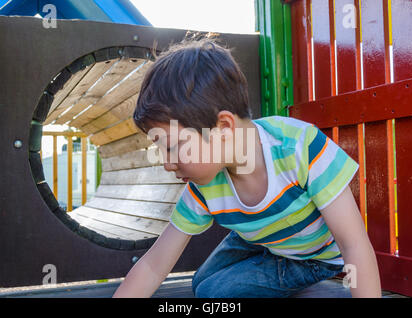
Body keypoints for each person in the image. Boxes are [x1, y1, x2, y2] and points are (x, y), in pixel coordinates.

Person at [112, 37, 381, 298]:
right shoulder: (203, 186)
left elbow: (353, 244)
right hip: (260, 239)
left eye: (172, 146)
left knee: (212, 292)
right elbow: (154, 264)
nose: (167, 163)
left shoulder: (299, 148)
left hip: (311, 256)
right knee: (201, 282)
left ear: (223, 128)